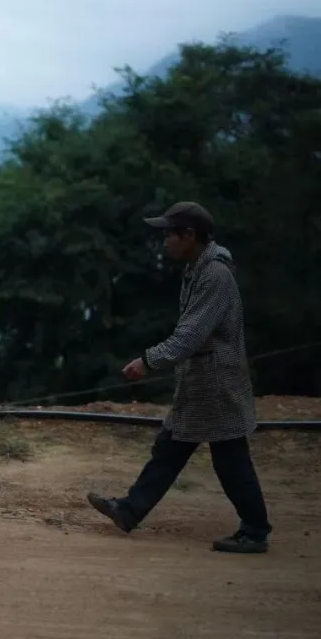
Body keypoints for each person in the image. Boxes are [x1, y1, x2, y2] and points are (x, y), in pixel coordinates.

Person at [86, 201, 271, 554]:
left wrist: (148, 361)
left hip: (216, 383)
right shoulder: (198, 269)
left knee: (230, 457)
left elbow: (191, 334)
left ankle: (255, 530)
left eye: (170, 234)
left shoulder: (215, 275)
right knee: (170, 446)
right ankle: (130, 510)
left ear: (190, 235)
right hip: (201, 381)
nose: (165, 241)